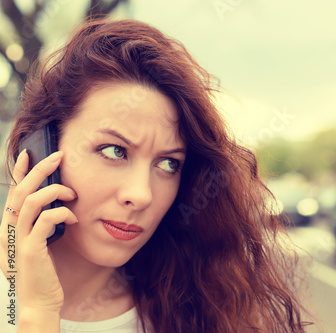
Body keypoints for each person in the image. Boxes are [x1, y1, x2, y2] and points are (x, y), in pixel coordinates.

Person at [0, 19, 312, 332]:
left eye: (168, 164)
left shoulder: (198, 317)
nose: (141, 195)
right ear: (40, 147)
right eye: (115, 151)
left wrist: (39, 316)